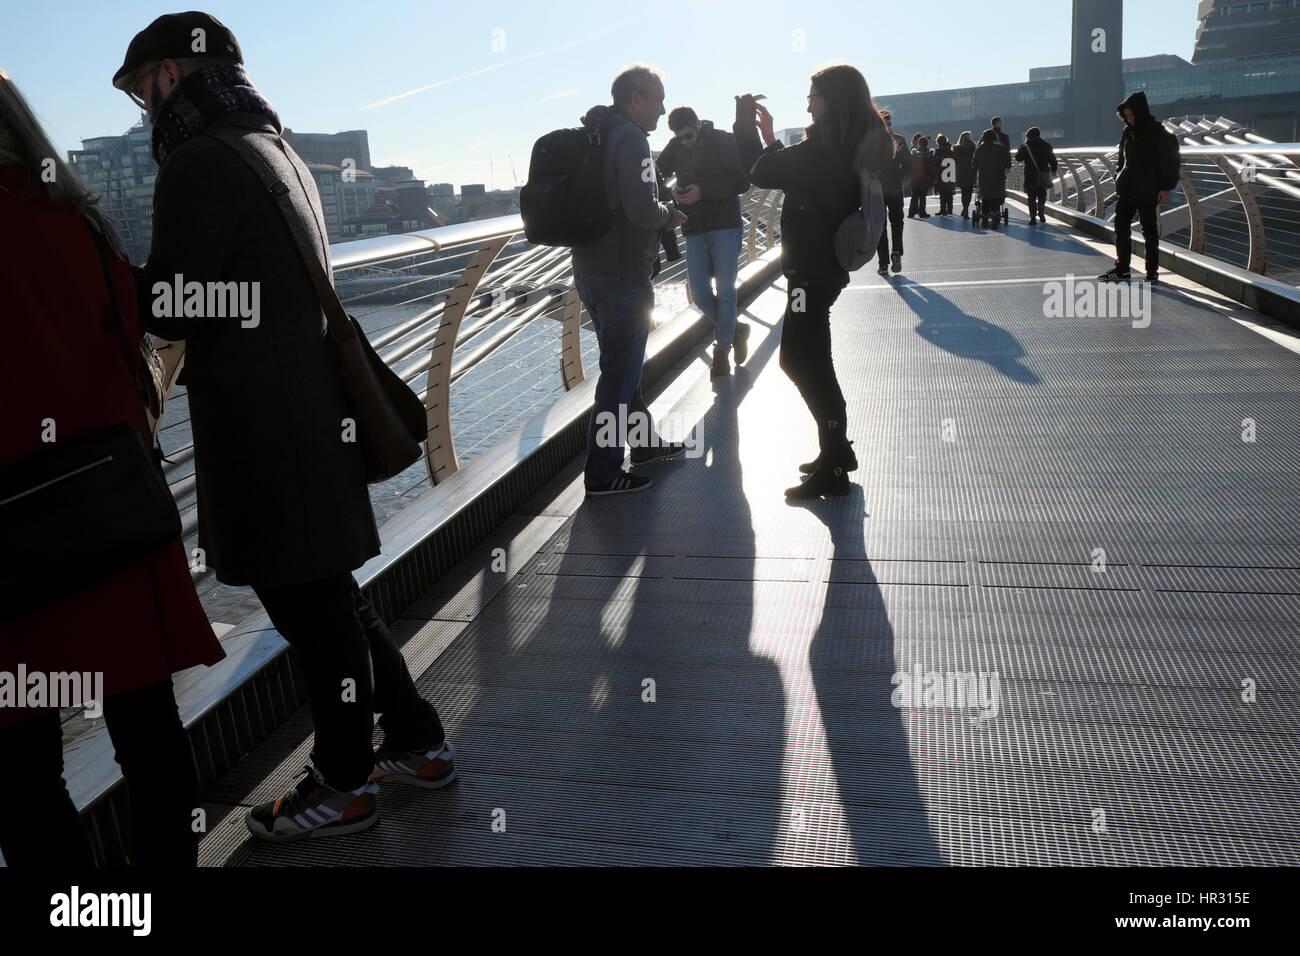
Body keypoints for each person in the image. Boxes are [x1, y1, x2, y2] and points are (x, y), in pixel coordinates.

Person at [113, 11, 454, 844]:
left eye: (140, 88)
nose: (142, 109)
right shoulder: (274, 147)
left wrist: (100, 275)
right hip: (310, 407)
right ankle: (412, 738)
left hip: (266, 427)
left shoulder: (198, 162)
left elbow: (175, 303)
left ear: (170, 75)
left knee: (313, 614)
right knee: (328, 594)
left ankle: (344, 784)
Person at [0, 67, 225, 866]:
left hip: (14, 553)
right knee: (148, 731)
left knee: (23, 772)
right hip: (111, 516)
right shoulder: (84, 224)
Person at [732, 65, 894, 499]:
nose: (808, 103)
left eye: (814, 96)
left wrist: (745, 123)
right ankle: (835, 451)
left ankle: (836, 461)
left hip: (810, 274)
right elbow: (785, 168)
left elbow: (759, 172)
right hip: (819, 272)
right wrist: (769, 138)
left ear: (833, 101)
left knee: (808, 364)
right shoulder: (842, 146)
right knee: (805, 361)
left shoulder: (822, 151)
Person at [570, 65, 688, 492]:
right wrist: (669, 216)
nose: (661, 108)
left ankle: (643, 444)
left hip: (590, 269)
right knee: (618, 379)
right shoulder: (632, 139)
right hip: (622, 273)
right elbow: (641, 209)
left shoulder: (595, 135)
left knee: (623, 369)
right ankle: (602, 473)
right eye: (657, 98)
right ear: (634, 99)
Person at [657, 105, 751, 377]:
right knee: (699, 294)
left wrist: (703, 192)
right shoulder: (675, 145)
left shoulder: (723, 140)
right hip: (694, 227)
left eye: (687, 135)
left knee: (725, 291)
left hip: (725, 225)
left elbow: (742, 181)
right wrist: (673, 194)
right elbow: (657, 173)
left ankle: (721, 351)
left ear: (698, 123)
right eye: (678, 136)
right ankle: (737, 330)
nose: (683, 141)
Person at [1098, 91, 1181, 283]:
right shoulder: (1128, 131)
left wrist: (1166, 187)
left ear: (1141, 111)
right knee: (1121, 228)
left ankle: (1151, 272)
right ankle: (1122, 269)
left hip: (1148, 189)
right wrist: (1119, 175)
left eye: (1132, 115)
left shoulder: (1157, 131)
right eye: (1126, 116)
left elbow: (1170, 160)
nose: (1130, 119)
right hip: (1127, 188)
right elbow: (1121, 158)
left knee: (1149, 231)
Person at [875, 112, 909, 276]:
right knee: (897, 222)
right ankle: (896, 251)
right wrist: (898, 176)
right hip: (895, 188)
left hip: (877, 189)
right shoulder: (899, 140)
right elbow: (909, 166)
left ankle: (883, 264)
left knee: (880, 226)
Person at [1015, 126, 1058, 224]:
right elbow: (1052, 159)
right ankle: (1041, 211)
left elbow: (1018, 158)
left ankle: (1033, 218)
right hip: (1043, 174)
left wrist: (1020, 148)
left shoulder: (1025, 147)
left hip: (1030, 175)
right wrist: (1053, 169)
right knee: (1042, 194)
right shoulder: (1046, 145)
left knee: (1031, 197)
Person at [973, 128, 1011, 229]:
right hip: (998, 177)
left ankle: (985, 218)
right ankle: (996, 215)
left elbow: (974, 164)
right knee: (996, 196)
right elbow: (1008, 163)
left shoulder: (979, 149)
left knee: (985, 197)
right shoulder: (1001, 149)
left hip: (984, 177)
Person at [908, 134, 936, 218]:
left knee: (914, 197)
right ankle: (922, 212)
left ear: (918, 144)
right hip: (925, 179)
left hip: (915, 179)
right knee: (923, 197)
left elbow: (910, 167)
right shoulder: (929, 155)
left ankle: (911, 213)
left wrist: (910, 177)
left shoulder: (914, 154)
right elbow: (932, 168)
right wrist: (934, 178)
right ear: (927, 144)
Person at [953, 130, 977, 218]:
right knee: (969, 191)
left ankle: (965, 209)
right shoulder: (972, 147)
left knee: (964, 192)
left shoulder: (957, 149)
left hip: (961, 172)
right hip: (970, 171)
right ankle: (966, 209)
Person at [933, 133, 956, 215]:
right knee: (949, 193)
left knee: (942, 193)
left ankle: (943, 210)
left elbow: (935, 164)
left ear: (938, 142)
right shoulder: (951, 150)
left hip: (942, 174)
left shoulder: (938, 151)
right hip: (951, 174)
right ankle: (950, 210)